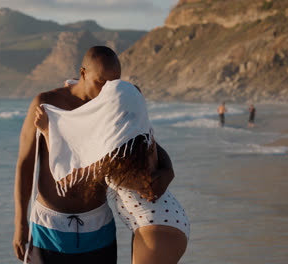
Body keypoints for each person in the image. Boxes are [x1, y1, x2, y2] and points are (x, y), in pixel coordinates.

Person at [13, 46, 175, 264]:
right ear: (83, 73)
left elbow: (144, 142)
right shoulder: (47, 104)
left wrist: (168, 170)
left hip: (98, 226)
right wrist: (20, 224)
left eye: (113, 83)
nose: (106, 90)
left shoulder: (115, 105)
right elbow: (25, 164)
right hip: (49, 228)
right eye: (100, 82)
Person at [33, 79, 189, 263]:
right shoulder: (140, 139)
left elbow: (70, 176)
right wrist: (169, 171)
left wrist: (46, 132)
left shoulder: (117, 159)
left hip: (156, 230)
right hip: (165, 220)